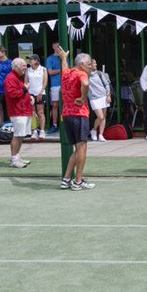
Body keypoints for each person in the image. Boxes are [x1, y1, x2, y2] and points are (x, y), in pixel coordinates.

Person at [57, 46, 95, 190]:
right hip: (79, 114)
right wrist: (83, 97)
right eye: (89, 63)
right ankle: (78, 182)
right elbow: (86, 84)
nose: (91, 66)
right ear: (81, 65)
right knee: (82, 148)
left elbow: (65, 67)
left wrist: (64, 58)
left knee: (77, 148)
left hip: (67, 115)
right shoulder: (81, 74)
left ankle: (66, 179)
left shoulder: (67, 73)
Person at [3, 58, 33, 169]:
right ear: (16, 66)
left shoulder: (17, 78)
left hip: (24, 110)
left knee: (21, 135)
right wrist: (25, 90)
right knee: (17, 135)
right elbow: (12, 94)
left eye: (25, 65)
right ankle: (14, 159)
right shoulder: (11, 78)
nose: (25, 67)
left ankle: (17, 156)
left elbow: (20, 92)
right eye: (23, 65)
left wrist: (29, 98)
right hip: (17, 111)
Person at [87, 58, 112, 142]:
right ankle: (94, 130)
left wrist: (108, 95)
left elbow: (107, 84)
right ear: (89, 65)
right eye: (94, 64)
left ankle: (101, 134)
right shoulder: (86, 75)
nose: (96, 65)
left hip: (103, 96)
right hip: (93, 98)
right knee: (100, 117)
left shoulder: (100, 74)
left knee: (103, 117)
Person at [26, 55, 47, 139]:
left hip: (41, 93)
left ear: (36, 61)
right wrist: (28, 94)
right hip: (31, 94)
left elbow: (45, 81)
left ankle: (42, 131)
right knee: (33, 113)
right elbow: (26, 82)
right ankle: (34, 131)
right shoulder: (28, 70)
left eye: (31, 60)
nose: (30, 61)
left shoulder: (43, 69)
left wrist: (41, 92)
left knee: (40, 113)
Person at [45, 42, 63, 135]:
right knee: (55, 105)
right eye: (56, 46)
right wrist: (61, 70)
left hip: (65, 84)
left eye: (59, 46)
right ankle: (55, 124)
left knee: (65, 104)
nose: (58, 47)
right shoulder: (50, 59)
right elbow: (50, 72)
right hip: (55, 85)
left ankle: (64, 125)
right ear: (53, 46)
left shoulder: (64, 57)